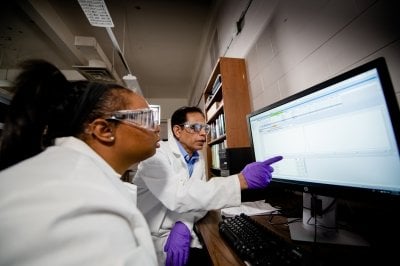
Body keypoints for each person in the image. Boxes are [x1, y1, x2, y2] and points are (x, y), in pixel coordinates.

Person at [0, 59, 161, 265]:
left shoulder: (71, 174)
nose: (157, 128)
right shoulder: (78, 197)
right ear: (104, 130)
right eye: (147, 119)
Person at [133, 106, 283, 266]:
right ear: (177, 131)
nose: (204, 133)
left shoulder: (198, 158)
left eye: (206, 128)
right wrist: (240, 180)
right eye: (197, 127)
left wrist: (183, 224)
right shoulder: (156, 156)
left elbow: (200, 201)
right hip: (150, 237)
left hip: (175, 231)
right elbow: (179, 196)